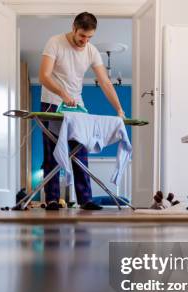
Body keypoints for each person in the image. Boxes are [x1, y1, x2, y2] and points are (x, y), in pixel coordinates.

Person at [39, 12, 125, 211]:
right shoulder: (55, 42)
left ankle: (85, 199)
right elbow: (43, 76)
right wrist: (62, 93)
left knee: (80, 151)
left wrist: (119, 109)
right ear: (74, 28)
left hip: (77, 106)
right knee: (52, 152)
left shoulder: (91, 51)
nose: (84, 41)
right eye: (82, 36)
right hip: (52, 103)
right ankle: (52, 199)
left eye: (89, 37)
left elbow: (105, 82)